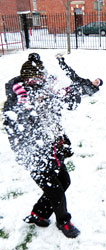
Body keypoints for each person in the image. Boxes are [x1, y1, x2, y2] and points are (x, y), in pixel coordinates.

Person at [2, 53, 100, 238]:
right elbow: (18, 129)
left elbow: (61, 114)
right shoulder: (15, 103)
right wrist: (30, 112)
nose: (42, 81)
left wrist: (64, 141)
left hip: (52, 151)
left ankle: (38, 214)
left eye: (43, 77)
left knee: (64, 181)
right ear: (28, 79)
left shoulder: (44, 92)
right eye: (38, 77)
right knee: (55, 190)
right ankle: (64, 222)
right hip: (35, 157)